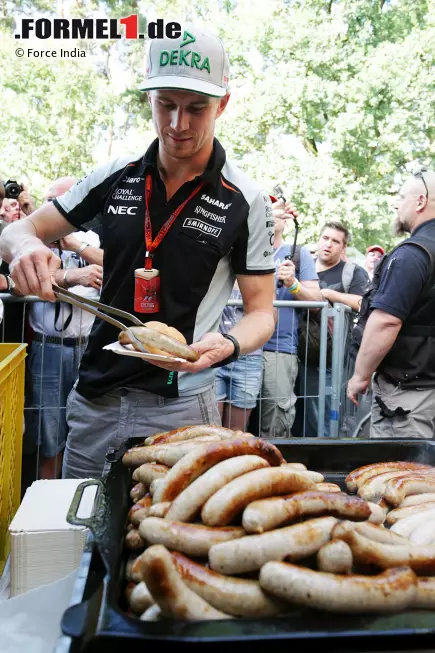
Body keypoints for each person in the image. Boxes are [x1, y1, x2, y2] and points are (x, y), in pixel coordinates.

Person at [0, 27, 275, 479]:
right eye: (165, 104)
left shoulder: (245, 200)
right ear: (148, 97)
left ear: (223, 104)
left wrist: (225, 345)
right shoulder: (116, 175)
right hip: (95, 399)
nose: (178, 124)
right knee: (82, 541)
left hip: (184, 404)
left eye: (196, 108)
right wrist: (26, 246)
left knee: (170, 540)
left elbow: (263, 313)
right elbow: (22, 229)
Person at [26, 176, 104, 479]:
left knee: (89, 432)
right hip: (49, 350)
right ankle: (46, 508)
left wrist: (74, 245)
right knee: (50, 435)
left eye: (59, 199)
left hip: (87, 347)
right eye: (48, 200)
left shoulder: (92, 239)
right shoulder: (33, 241)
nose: (52, 207)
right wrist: (76, 277)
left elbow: (115, 269)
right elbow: (33, 283)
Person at [348, 170, 435, 439]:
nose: (396, 204)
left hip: (409, 400)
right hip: (424, 391)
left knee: (400, 478)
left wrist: (360, 376)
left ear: (420, 201)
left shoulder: (412, 255)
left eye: (401, 197)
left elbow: (386, 320)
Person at [300, 222, 369, 436]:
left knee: (324, 422)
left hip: (332, 362)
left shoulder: (352, 273)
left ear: (343, 247)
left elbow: (363, 302)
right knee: (297, 417)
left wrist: (331, 295)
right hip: (296, 356)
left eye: (335, 241)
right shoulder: (303, 268)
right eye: (325, 238)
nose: (328, 244)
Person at [260, 198, 321, 438]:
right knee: (234, 424)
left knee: (276, 422)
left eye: (279, 209)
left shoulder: (298, 253)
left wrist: (293, 284)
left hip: (278, 349)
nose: (274, 212)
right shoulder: (243, 248)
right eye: (268, 206)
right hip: (240, 349)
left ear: (286, 221)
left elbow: (317, 303)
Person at [215, 281, 263, 431]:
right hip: (215, 355)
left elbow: (269, 316)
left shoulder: (259, 277)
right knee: (212, 427)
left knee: (236, 432)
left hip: (249, 357)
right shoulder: (218, 272)